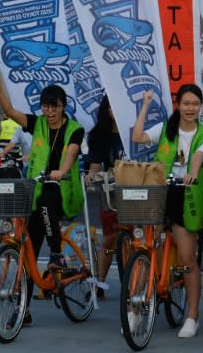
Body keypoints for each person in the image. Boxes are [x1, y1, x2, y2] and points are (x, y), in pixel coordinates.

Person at [0, 77, 84, 327]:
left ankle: (56, 254)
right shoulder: (37, 123)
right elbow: (10, 112)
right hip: (38, 189)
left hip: (62, 188)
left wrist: (61, 171)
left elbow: (71, 152)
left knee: (45, 203)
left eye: (54, 106)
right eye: (45, 106)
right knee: (28, 249)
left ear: (63, 106)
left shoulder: (74, 128)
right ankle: (24, 308)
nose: (49, 111)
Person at [132, 84, 203, 338]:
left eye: (195, 104)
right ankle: (136, 306)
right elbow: (137, 138)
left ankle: (193, 315)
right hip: (160, 192)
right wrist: (145, 105)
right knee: (147, 247)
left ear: (200, 107)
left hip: (186, 195)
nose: (190, 108)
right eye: (185, 103)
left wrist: (191, 173)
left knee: (188, 259)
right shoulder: (165, 129)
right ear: (177, 105)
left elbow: (199, 157)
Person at [85, 95, 124, 300]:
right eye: (111, 106)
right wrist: (92, 173)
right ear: (106, 109)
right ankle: (99, 283)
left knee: (133, 238)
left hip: (135, 188)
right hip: (110, 189)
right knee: (109, 239)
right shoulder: (100, 134)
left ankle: (135, 283)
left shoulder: (135, 131)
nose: (115, 110)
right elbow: (94, 162)